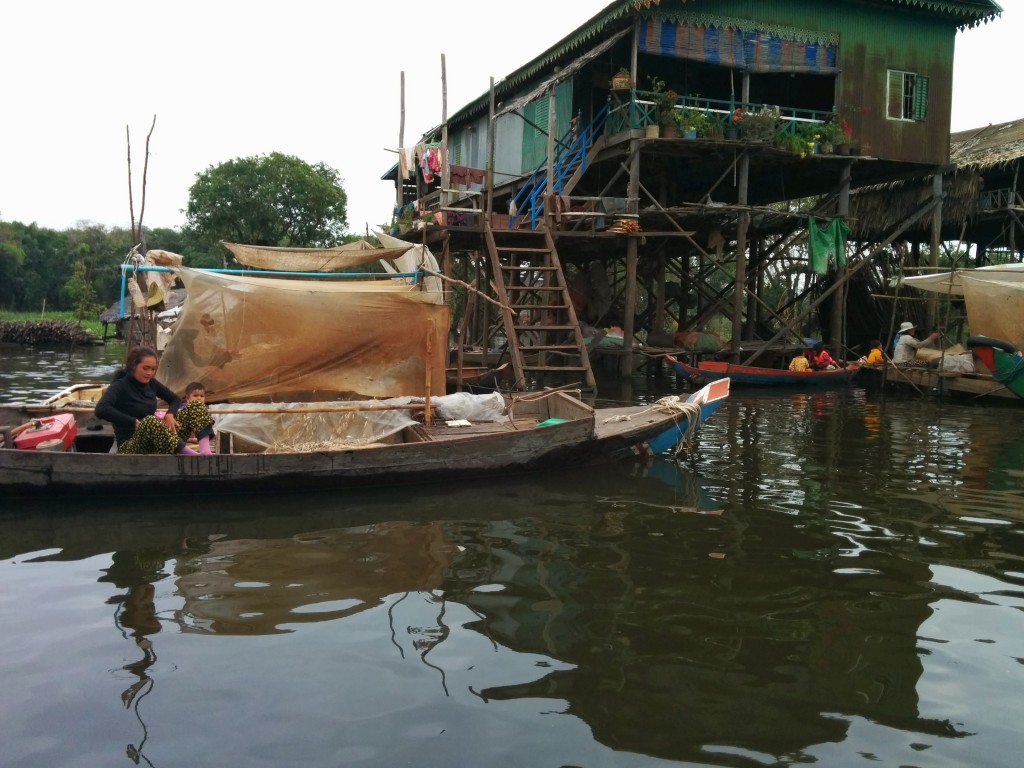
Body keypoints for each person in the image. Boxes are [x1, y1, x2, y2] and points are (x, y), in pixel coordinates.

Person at [95, 346, 199, 455]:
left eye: (153, 369)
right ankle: (191, 455)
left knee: (195, 406)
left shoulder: (151, 383)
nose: (149, 373)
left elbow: (175, 399)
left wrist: (170, 414)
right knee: (150, 421)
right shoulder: (120, 386)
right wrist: (133, 421)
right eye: (145, 368)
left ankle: (206, 451)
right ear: (133, 366)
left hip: (154, 439)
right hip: (130, 445)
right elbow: (101, 409)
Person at [178, 382, 216, 455]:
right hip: (178, 436)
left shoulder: (201, 409)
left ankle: (201, 453)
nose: (199, 398)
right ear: (187, 398)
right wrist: (191, 439)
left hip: (183, 439)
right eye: (195, 395)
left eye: (202, 396)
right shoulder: (183, 408)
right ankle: (204, 452)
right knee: (196, 406)